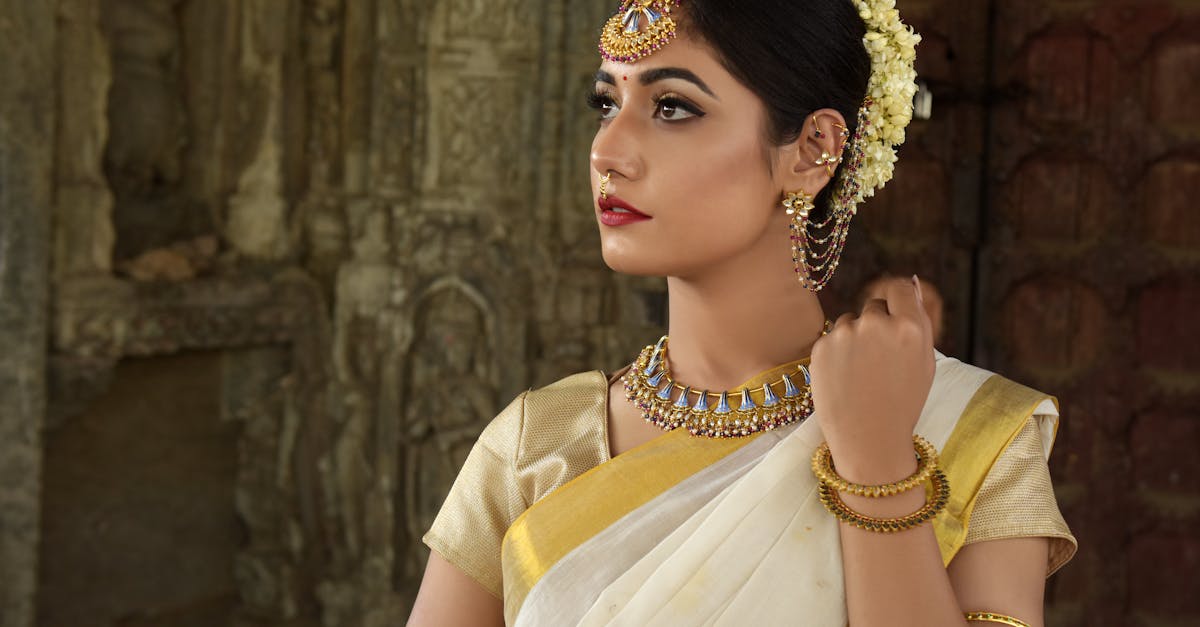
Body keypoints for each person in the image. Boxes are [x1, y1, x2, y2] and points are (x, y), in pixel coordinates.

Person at [409, 1, 1075, 625]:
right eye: (606, 103)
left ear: (814, 148)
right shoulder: (535, 447)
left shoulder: (974, 435)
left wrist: (878, 465)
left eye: (671, 106)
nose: (605, 151)